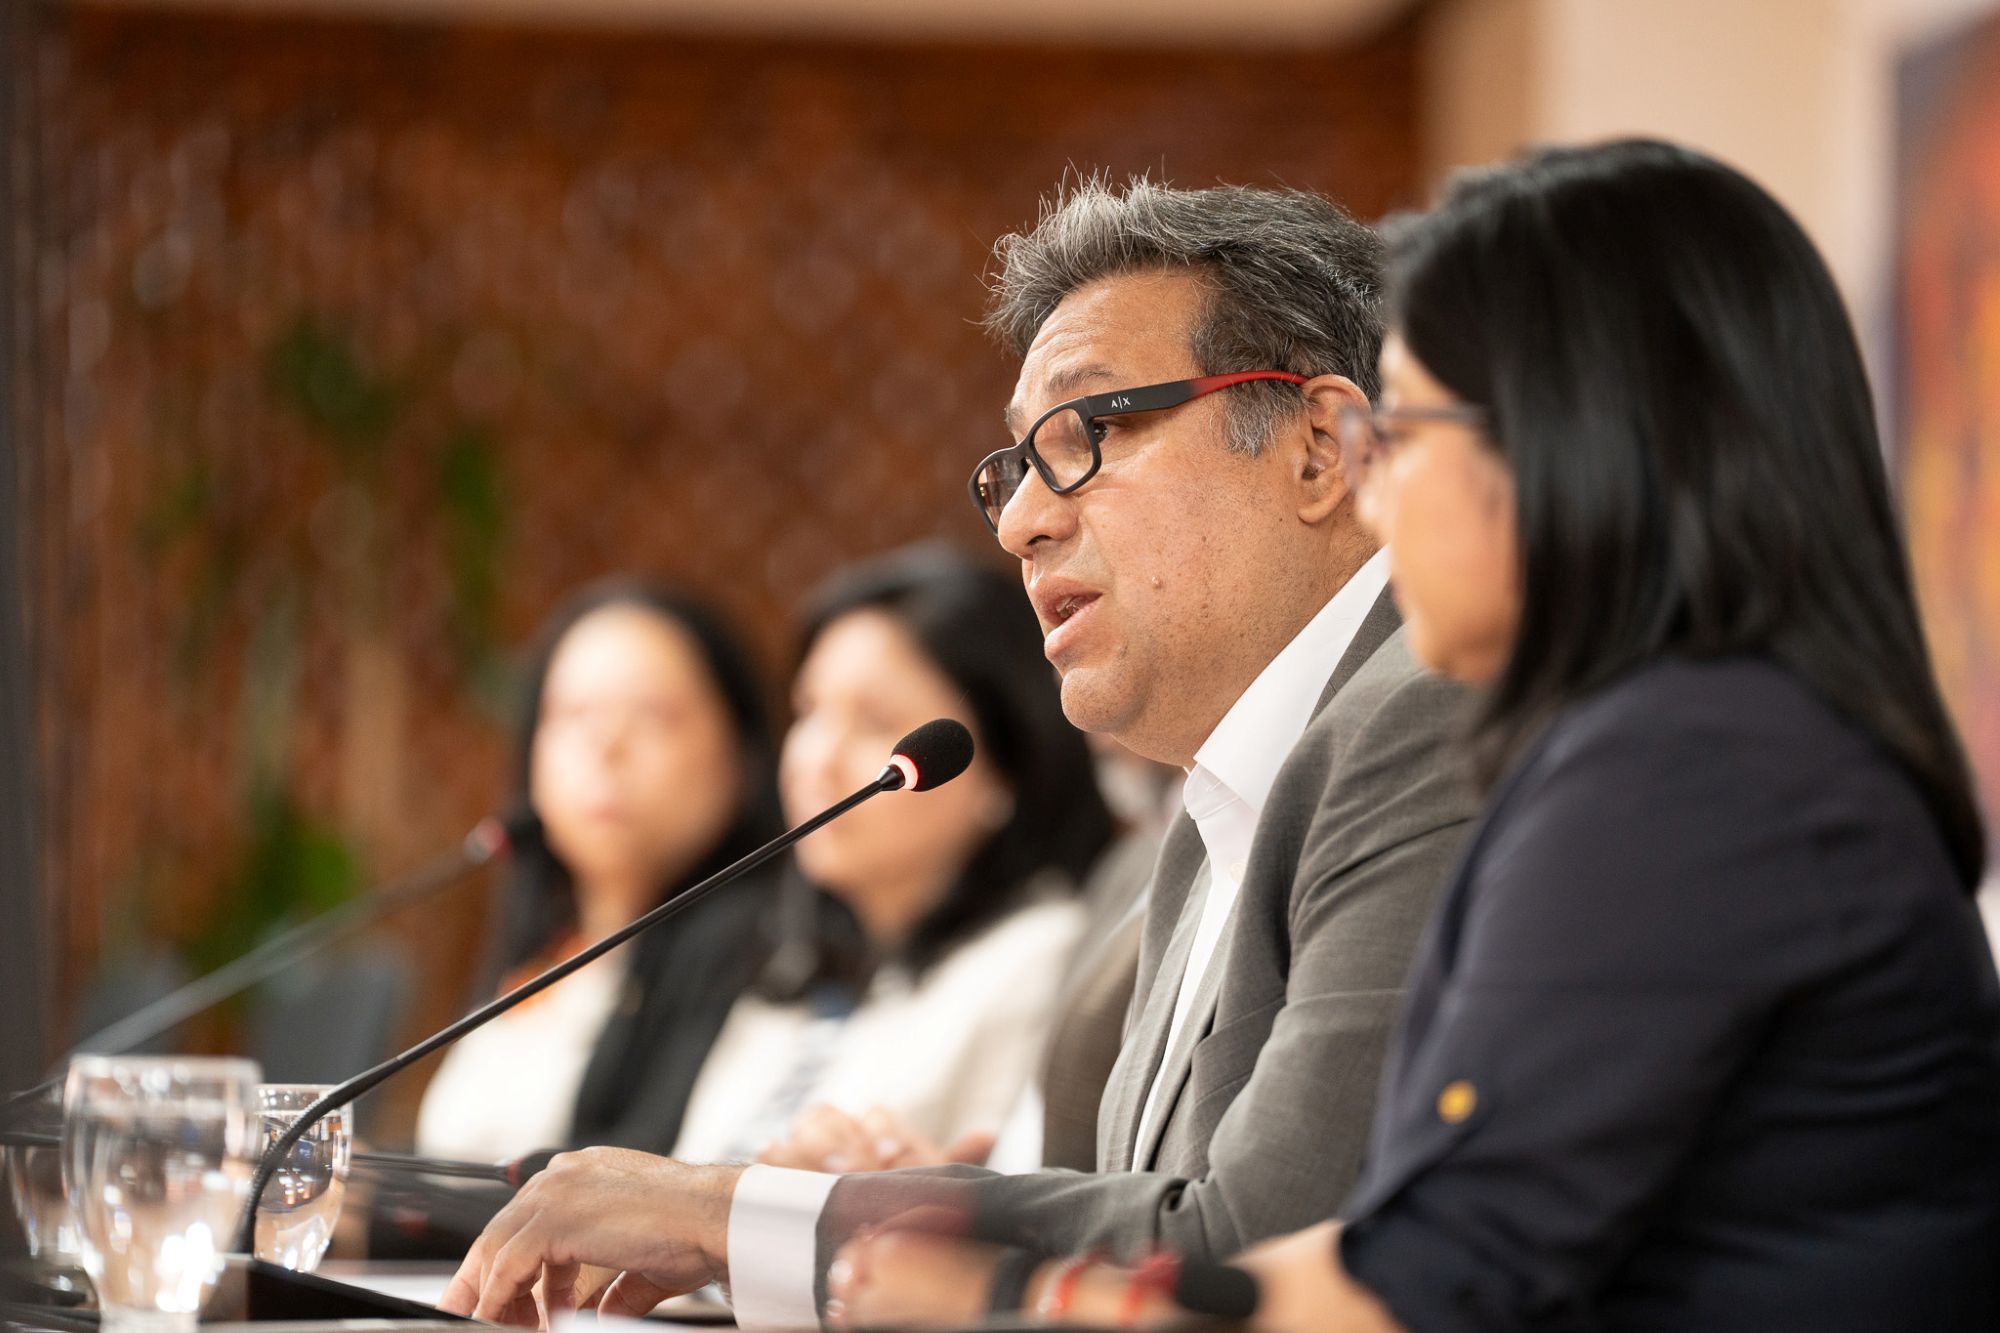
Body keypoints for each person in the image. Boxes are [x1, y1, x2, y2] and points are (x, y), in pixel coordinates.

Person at [833, 139, 2000, 1332]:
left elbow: (1416, 1283)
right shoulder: (1691, 744)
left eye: (1404, 432)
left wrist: (997, 1289)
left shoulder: (1684, 768)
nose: (1377, 494)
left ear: (1570, 447)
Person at [438, 177, 1479, 1328]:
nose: (1021, 519)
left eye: (1088, 435)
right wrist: (900, 1214)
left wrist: (735, 1211)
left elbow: (1253, 1250)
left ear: (1320, 450)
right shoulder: (1217, 798)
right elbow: (1147, 1210)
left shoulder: (1423, 725)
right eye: (1016, 464)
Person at [665, 545, 1114, 1167]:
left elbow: (1008, 1194)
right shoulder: (791, 965)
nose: (817, 759)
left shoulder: (1036, 957)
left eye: (874, 722)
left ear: (1005, 769)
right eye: (808, 711)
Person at [415, 581, 784, 1164]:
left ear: (744, 756)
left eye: (654, 715)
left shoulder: (769, 954)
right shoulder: (541, 951)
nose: (606, 744)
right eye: (574, 713)